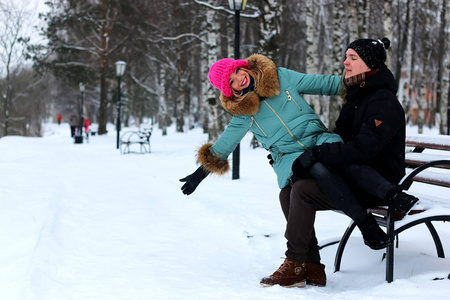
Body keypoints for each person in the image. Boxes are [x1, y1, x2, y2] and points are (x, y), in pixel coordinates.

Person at [179, 48, 417, 287]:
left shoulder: (280, 78)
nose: (239, 80)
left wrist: (373, 83)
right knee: (295, 187)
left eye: (237, 72)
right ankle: (308, 260)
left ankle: (311, 263)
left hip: (318, 140)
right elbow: (224, 145)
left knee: (301, 184)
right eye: (231, 83)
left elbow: (327, 84)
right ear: (231, 90)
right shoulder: (244, 114)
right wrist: (199, 175)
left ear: (242, 66)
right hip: (291, 159)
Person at [260, 37, 418, 288]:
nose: (345, 62)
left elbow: (363, 150)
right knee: (288, 192)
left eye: (353, 58)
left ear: (369, 65)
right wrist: (293, 151)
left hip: (376, 180)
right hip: (350, 175)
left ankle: (295, 261)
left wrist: (316, 155)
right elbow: (339, 139)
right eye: (346, 57)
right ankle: (311, 266)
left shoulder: (383, 102)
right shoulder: (357, 97)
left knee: (301, 191)